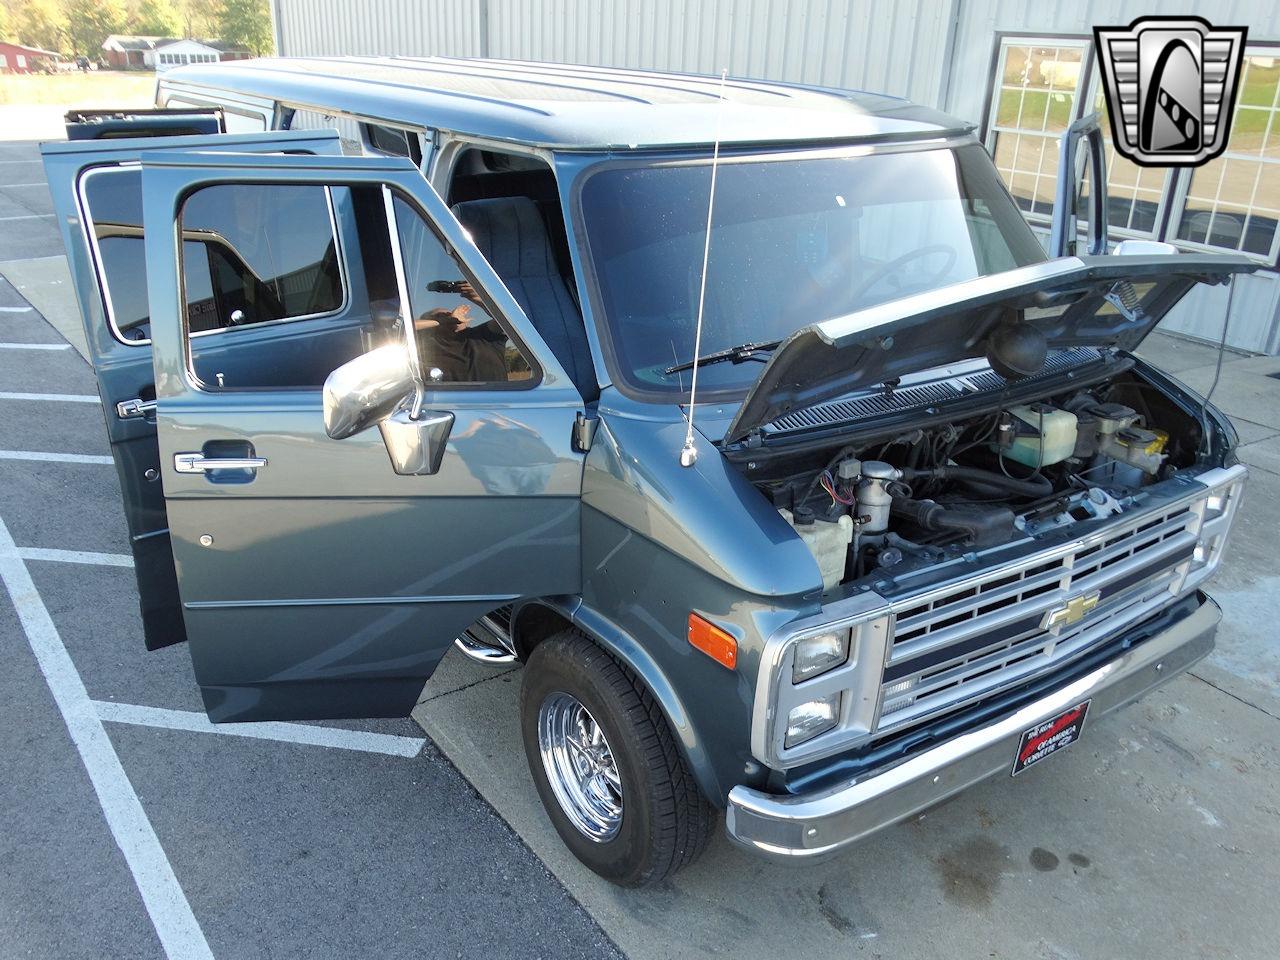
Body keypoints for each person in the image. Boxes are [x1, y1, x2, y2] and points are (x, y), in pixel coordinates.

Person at [414, 280, 509, 383]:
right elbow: (400, 327)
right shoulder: (425, 347)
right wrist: (445, 320)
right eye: (439, 316)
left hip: (499, 397)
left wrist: (480, 298)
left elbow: (510, 319)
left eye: (450, 312)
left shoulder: (483, 335)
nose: (451, 314)